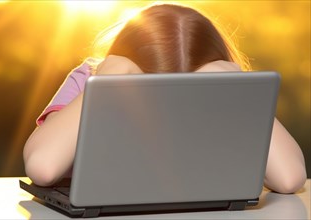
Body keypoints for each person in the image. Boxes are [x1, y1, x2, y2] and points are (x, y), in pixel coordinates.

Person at [23, 4, 306, 193]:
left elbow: (290, 176)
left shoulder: (226, 96)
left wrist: (239, 92)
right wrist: (104, 85)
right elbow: (42, 166)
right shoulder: (89, 80)